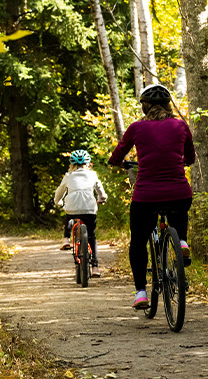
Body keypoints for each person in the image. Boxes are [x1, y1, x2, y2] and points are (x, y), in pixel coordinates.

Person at [108, 83, 196, 310]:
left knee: (138, 240)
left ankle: (140, 293)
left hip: (146, 197)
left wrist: (119, 163)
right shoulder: (180, 125)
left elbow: (116, 156)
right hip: (179, 192)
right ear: (168, 105)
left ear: (145, 107)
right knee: (179, 207)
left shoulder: (136, 128)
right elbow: (191, 157)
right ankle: (182, 241)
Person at [54, 150, 107, 277]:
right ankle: (95, 267)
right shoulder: (93, 175)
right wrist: (102, 199)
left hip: (72, 208)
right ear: (88, 164)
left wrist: (58, 202)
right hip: (89, 209)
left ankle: (66, 239)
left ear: (71, 165)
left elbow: (59, 192)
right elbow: (101, 192)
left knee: (69, 216)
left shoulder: (68, 176)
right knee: (92, 236)